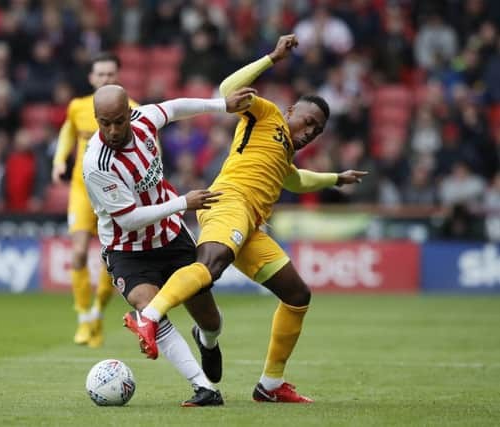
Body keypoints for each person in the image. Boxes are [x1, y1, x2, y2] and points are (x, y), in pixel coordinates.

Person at [123, 34, 368, 403]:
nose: (310, 132)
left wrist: (336, 178)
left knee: (297, 294)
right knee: (213, 264)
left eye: (317, 130)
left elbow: (297, 179)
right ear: (291, 112)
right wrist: (272, 57)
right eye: (308, 121)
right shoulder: (266, 113)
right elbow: (227, 88)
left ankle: (269, 386)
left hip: (251, 223)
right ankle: (150, 317)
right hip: (228, 202)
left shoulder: (284, 155)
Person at [82, 84, 256, 406]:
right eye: (104, 122)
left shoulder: (145, 120)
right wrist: (182, 203)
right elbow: (129, 219)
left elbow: (175, 108)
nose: (113, 130)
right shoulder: (98, 164)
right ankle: (204, 387)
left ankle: (207, 341)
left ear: (128, 115)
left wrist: (223, 106)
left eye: (119, 121)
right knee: (150, 311)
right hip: (127, 250)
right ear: (96, 119)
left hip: (171, 237)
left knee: (210, 320)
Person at [52, 53, 137, 348]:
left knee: (110, 263)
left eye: (111, 74)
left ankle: (98, 312)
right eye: (100, 74)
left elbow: (151, 149)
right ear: (91, 78)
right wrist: (59, 160)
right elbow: (68, 131)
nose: (105, 79)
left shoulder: (133, 111)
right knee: (77, 254)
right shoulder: (77, 107)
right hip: (81, 190)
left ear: (119, 77)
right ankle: (84, 319)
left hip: (114, 194)